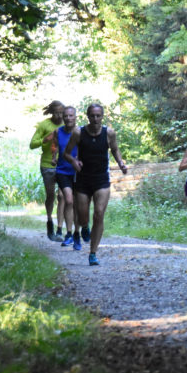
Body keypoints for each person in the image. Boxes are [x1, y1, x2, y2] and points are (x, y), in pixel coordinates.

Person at [63, 103, 128, 266]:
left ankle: (93, 253)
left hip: (101, 179)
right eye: (92, 116)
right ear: (88, 116)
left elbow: (115, 149)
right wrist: (74, 162)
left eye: (98, 116)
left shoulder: (109, 133)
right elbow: (66, 153)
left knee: (99, 214)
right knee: (83, 217)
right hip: (83, 179)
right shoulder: (79, 132)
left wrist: (121, 163)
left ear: (102, 116)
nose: (95, 118)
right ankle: (85, 227)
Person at [29, 100, 66, 241]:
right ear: (51, 112)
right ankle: (50, 220)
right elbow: (32, 144)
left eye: (61, 113)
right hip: (47, 165)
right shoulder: (44, 125)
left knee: (62, 196)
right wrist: (45, 139)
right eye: (56, 113)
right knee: (50, 195)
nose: (59, 116)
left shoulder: (67, 123)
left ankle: (59, 229)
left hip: (63, 164)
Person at [54, 106, 81, 251]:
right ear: (62, 118)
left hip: (78, 172)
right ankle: (68, 233)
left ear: (75, 117)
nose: (68, 118)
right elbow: (56, 148)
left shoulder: (81, 132)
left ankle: (77, 233)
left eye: (71, 116)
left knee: (78, 204)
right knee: (68, 200)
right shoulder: (58, 132)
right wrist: (54, 158)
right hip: (62, 171)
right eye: (66, 116)